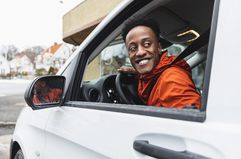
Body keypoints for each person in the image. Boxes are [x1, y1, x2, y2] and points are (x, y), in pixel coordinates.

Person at [118, 18, 200, 109]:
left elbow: (192, 117)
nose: (140, 52)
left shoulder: (171, 79)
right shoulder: (154, 75)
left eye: (147, 44)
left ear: (159, 47)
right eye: (133, 48)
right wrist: (137, 75)